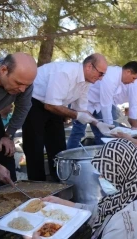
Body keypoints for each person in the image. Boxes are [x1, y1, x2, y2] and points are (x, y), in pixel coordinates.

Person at [31, 139, 137, 238]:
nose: (101, 177)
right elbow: (101, 211)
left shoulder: (130, 219)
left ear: (121, 172)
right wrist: (65, 204)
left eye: (105, 174)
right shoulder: (133, 192)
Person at [22, 53, 110, 181]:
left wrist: (97, 123)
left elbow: (82, 109)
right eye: (101, 73)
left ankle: (59, 183)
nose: (101, 78)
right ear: (89, 67)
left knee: (58, 148)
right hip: (34, 102)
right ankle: (37, 188)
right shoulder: (66, 72)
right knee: (35, 148)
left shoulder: (86, 82)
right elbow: (50, 105)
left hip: (56, 106)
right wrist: (77, 115)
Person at [0, 53, 37, 185]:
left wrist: (8, 135)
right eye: (19, 84)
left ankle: (11, 198)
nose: (23, 90)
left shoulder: (24, 80)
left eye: (26, 86)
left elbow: (23, 107)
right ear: (3, 70)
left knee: (5, 151)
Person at [66, 62, 137, 148]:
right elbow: (106, 105)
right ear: (128, 72)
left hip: (96, 105)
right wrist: (111, 128)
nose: (132, 82)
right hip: (82, 101)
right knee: (78, 132)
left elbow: (110, 102)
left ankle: (103, 158)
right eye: (133, 78)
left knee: (102, 136)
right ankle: (68, 159)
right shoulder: (111, 77)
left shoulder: (118, 78)